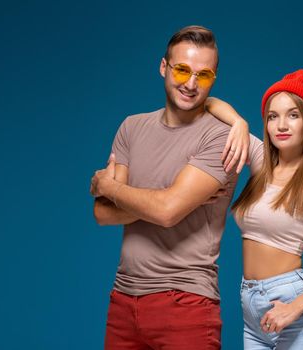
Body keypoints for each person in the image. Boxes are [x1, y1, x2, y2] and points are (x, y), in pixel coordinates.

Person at [89, 25, 251, 350]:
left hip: (186, 303)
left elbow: (166, 212)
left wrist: (108, 185)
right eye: (182, 70)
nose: (190, 84)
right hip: (123, 299)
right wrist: (156, 199)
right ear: (164, 67)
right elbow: (103, 213)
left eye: (203, 76)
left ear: (213, 79)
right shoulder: (131, 127)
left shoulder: (220, 136)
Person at [205, 69, 303, 349]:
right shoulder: (261, 161)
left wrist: (294, 308)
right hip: (251, 310)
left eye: (293, 115)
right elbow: (209, 104)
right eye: (272, 116)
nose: (281, 125)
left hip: (294, 307)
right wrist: (239, 122)